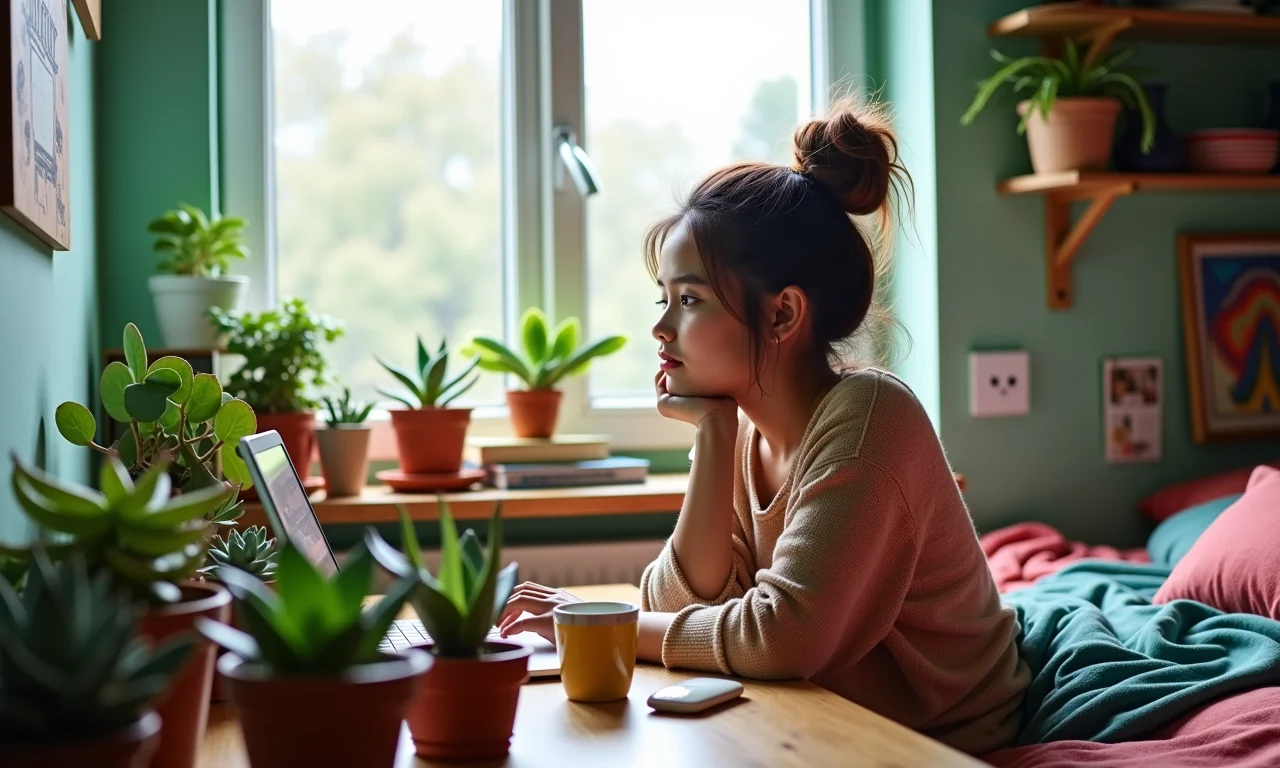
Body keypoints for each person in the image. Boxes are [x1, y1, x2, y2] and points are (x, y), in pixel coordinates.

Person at [497, 98, 1030, 755]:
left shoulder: (869, 420)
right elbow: (674, 596)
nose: (661, 328)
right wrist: (714, 439)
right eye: (663, 299)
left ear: (782, 315)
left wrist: (600, 626)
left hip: (948, 736)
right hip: (828, 717)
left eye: (689, 300)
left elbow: (780, 637)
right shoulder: (742, 427)